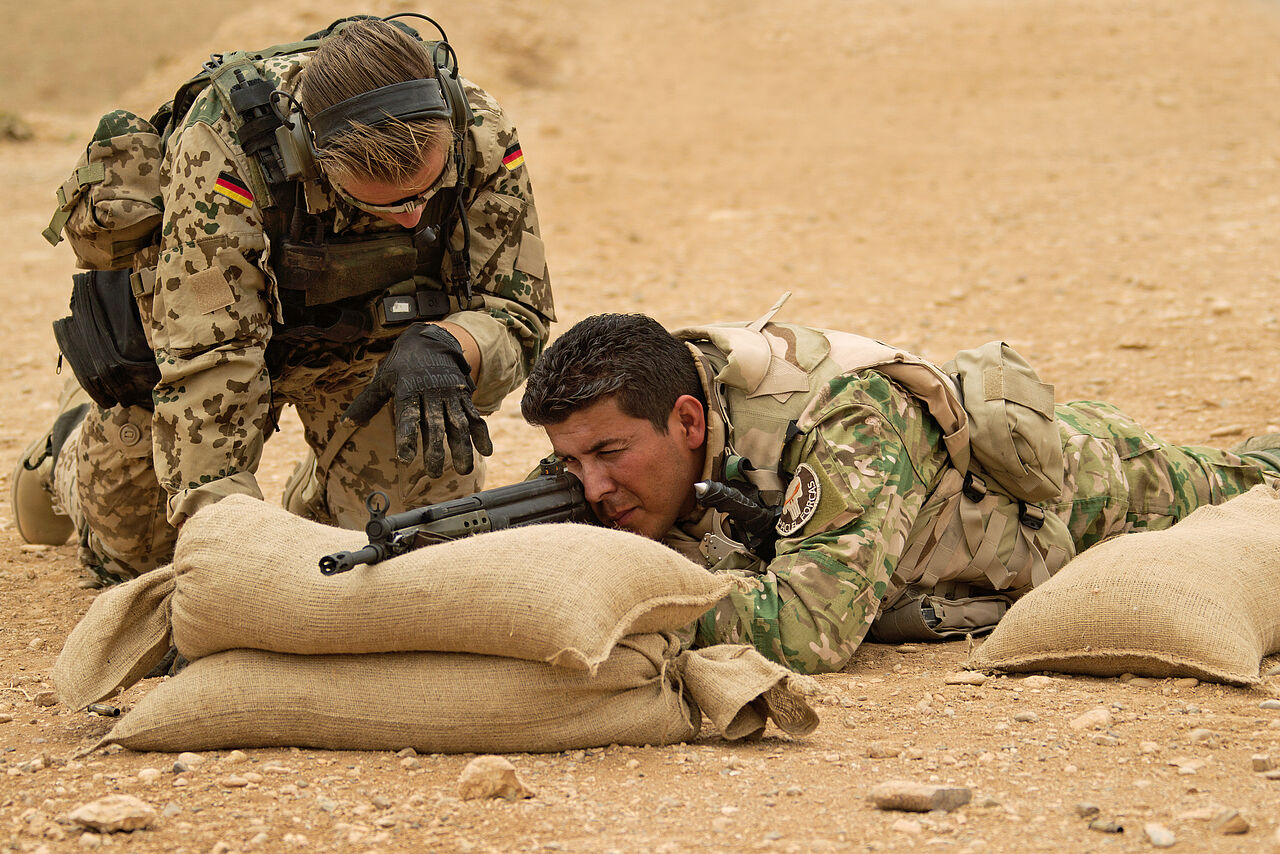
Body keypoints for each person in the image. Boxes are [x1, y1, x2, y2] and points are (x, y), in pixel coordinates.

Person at [13, 16, 553, 586]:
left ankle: (324, 494)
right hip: (217, 346)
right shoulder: (223, 153)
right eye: (387, 205)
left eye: (428, 190)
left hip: (376, 356)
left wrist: (451, 346)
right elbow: (214, 361)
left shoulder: (480, 134)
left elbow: (515, 309)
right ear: (316, 158)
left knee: (409, 547)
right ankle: (67, 445)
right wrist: (223, 542)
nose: (414, 215)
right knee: (151, 564)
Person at [519, 308, 1280, 674]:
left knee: (1254, 476)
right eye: (572, 460)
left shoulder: (844, 421)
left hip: (1100, 488)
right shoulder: (618, 436)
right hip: (943, 534)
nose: (594, 486)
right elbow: (534, 518)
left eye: (610, 454)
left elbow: (808, 629)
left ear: (687, 421)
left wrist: (625, 597)